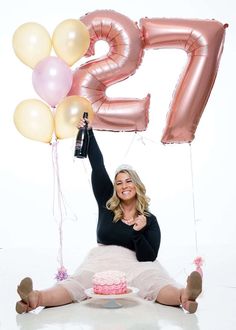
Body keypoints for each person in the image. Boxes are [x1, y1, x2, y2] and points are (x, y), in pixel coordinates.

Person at [16, 119, 202, 314]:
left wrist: (139, 232)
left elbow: (148, 256)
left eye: (128, 181)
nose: (124, 186)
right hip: (100, 261)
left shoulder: (149, 219)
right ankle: (35, 298)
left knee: (153, 280)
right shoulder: (107, 205)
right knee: (78, 282)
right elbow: (98, 165)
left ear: (136, 185)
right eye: (119, 183)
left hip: (136, 264)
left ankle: (185, 296)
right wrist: (89, 133)